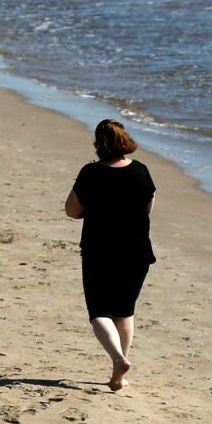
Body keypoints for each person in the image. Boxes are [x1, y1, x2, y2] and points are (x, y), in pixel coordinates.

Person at [64, 118, 155, 391]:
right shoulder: (141, 172)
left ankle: (118, 359)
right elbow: (148, 207)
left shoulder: (90, 174)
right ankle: (119, 374)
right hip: (136, 252)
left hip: (99, 250)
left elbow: (71, 210)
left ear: (99, 144)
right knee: (125, 312)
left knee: (99, 312)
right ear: (124, 141)